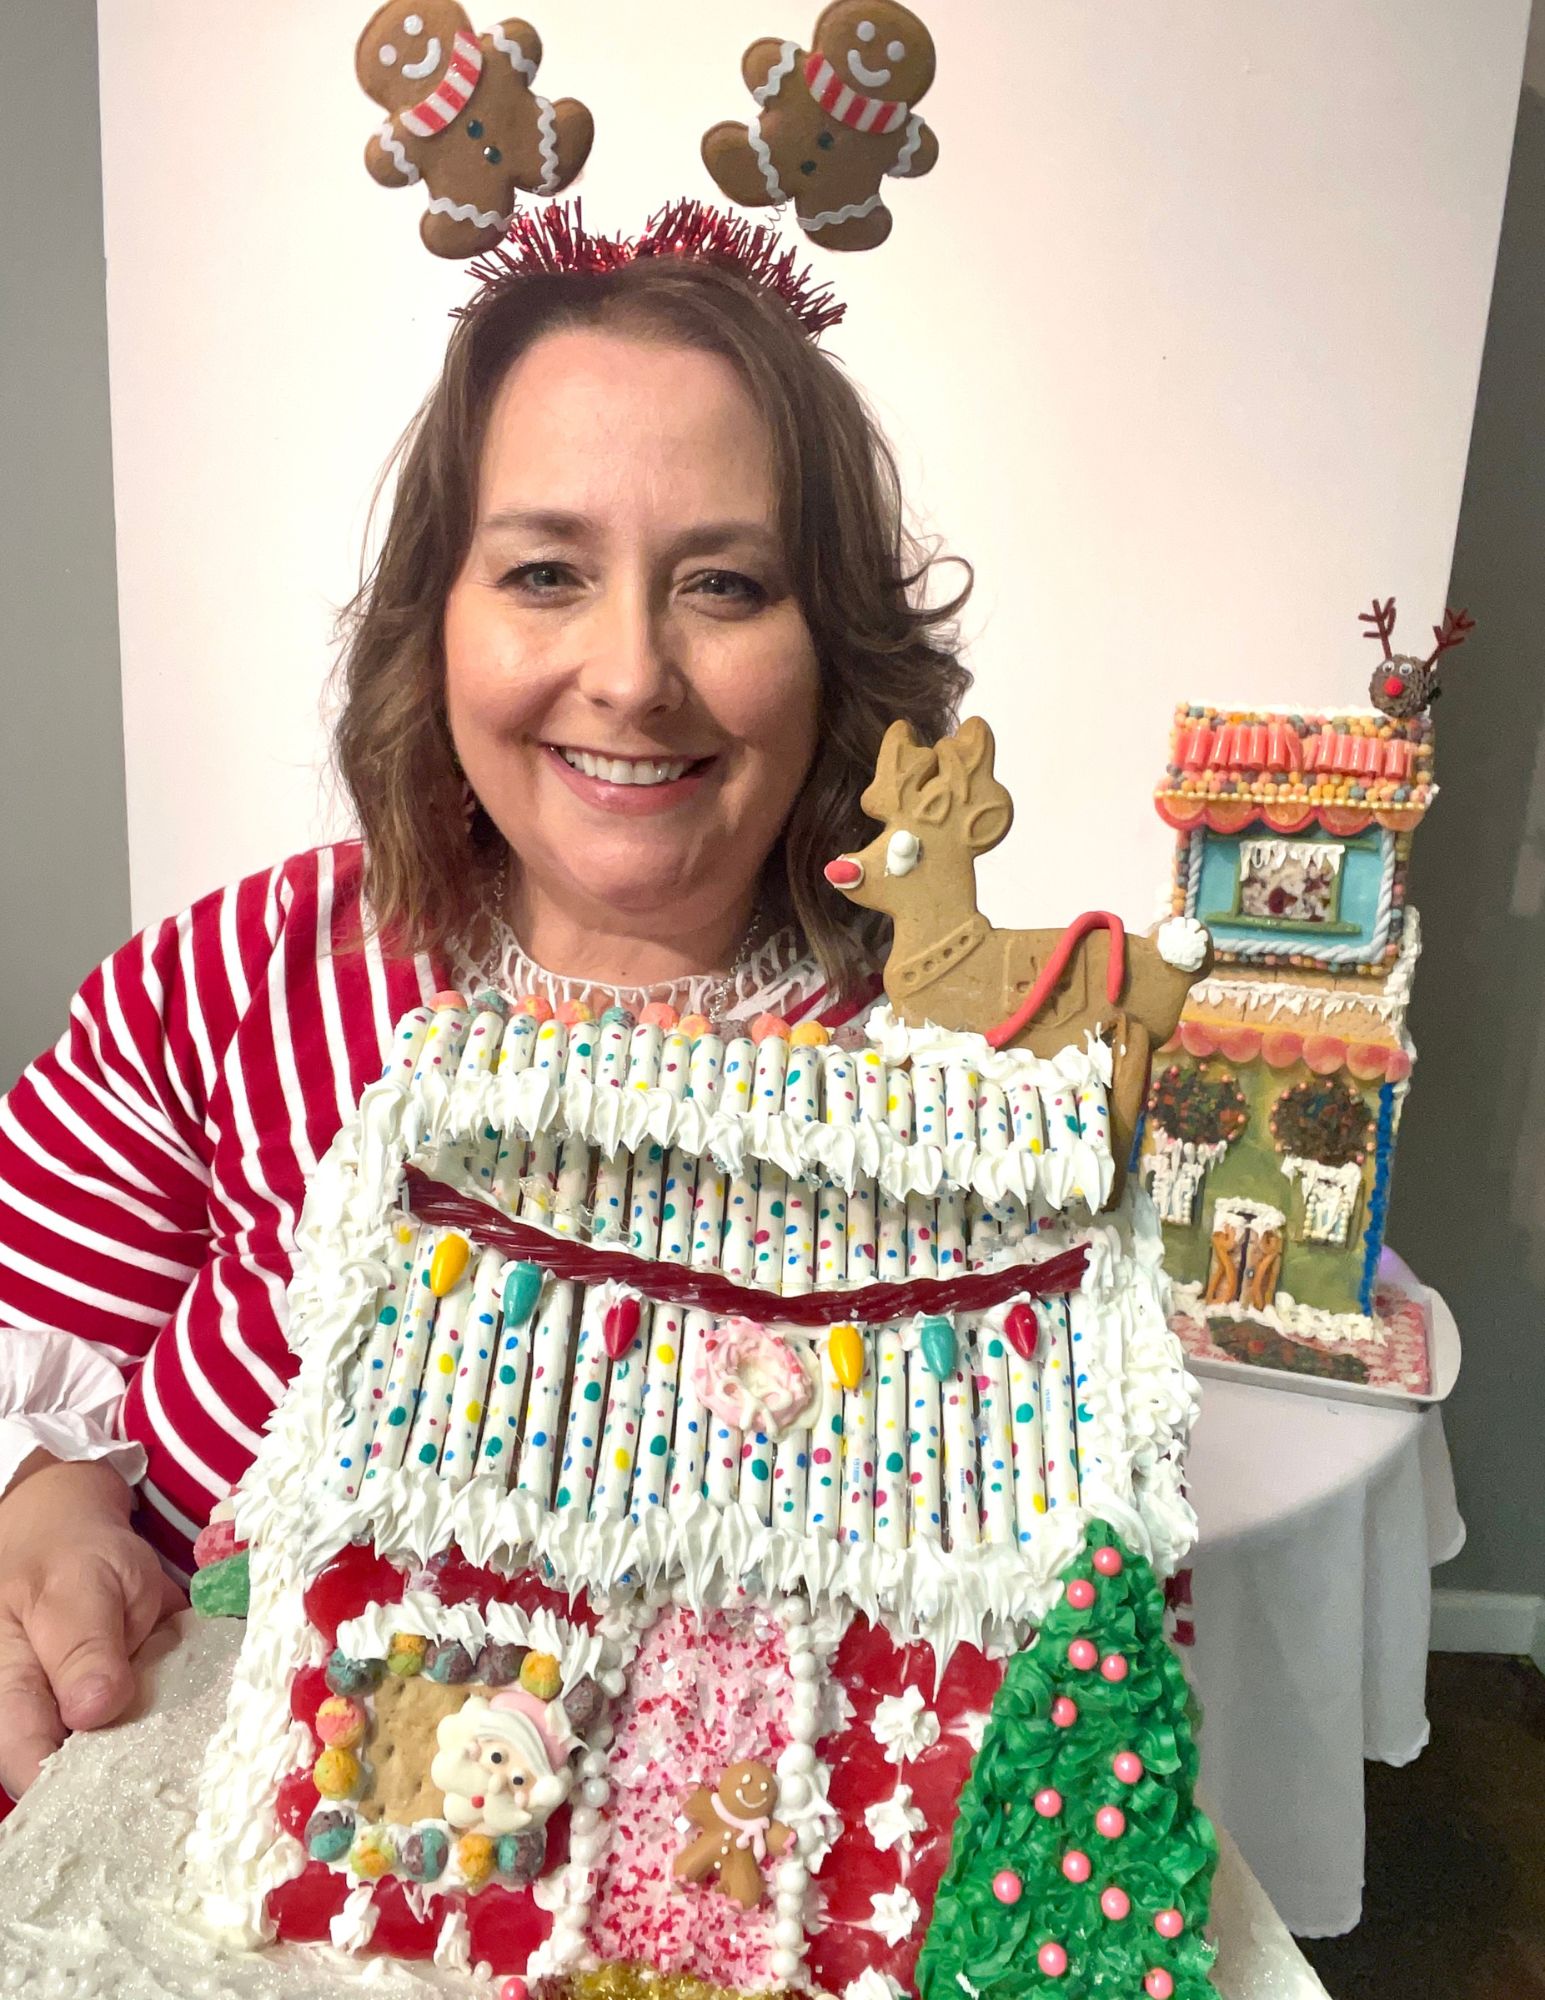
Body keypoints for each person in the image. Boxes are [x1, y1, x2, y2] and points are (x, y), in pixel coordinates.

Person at [0, 222, 970, 1803]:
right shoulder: (247, 977)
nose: (631, 672)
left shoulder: (937, 1091)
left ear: (834, 651)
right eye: (544, 574)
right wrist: (43, 1513)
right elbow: (27, 1321)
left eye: (722, 584)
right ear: (435, 617)